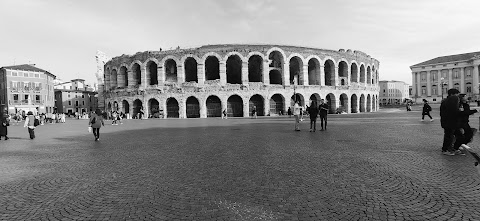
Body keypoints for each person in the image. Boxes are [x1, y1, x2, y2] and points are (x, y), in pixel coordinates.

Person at [440, 88, 461, 156]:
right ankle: (446, 149)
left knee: (453, 135)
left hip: (448, 122)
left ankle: (452, 148)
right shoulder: (452, 100)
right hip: (450, 122)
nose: (458, 96)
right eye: (456, 94)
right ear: (452, 94)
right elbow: (454, 111)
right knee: (449, 136)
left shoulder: (446, 101)